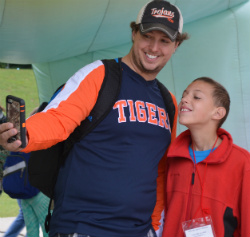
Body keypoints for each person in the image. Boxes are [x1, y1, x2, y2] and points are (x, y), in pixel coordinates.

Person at [0, 1, 189, 236]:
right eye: (147, 36)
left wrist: (155, 226)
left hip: (139, 231)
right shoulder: (100, 75)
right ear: (133, 33)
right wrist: (24, 135)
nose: (153, 47)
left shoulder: (168, 101)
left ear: (176, 45)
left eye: (165, 41)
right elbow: (58, 118)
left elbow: (159, 171)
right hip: (82, 227)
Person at [162, 77, 250, 237]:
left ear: (218, 113)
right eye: (184, 95)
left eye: (196, 97)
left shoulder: (242, 162)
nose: (184, 100)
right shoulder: (172, 157)